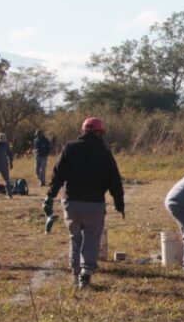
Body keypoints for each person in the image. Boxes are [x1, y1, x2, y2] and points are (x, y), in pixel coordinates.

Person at [44, 118, 125, 289]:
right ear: (100, 133)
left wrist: (50, 195)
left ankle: (75, 274)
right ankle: (85, 274)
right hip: (94, 204)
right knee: (91, 239)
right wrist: (119, 203)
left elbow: (58, 174)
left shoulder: (69, 148)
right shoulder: (104, 152)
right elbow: (114, 180)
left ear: (83, 131)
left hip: (71, 202)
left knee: (75, 238)